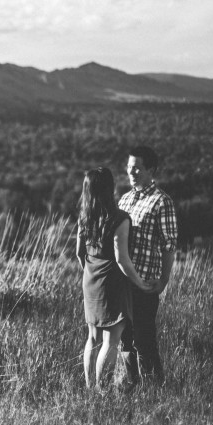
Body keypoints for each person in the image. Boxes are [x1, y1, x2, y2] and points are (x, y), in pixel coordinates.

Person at [76, 167, 154, 389]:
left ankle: (90, 388)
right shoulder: (120, 218)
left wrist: (91, 272)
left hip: (90, 280)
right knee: (110, 343)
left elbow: (79, 253)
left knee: (92, 338)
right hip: (112, 283)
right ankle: (102, 393)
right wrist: (140, 283)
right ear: (110, 188)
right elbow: (122, 260)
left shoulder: (84, 216)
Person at [118, 145, 178, 386]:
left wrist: (163, 281)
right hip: (123, 283)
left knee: (144, 340)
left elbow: (169, 245)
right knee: (124, 339)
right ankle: (129, 385)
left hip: (144, 283)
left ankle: (155, 390)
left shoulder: (162, 202)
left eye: (137, 168)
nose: (132, 172)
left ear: (151, 170)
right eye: (130, 167)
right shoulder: (125, 199)